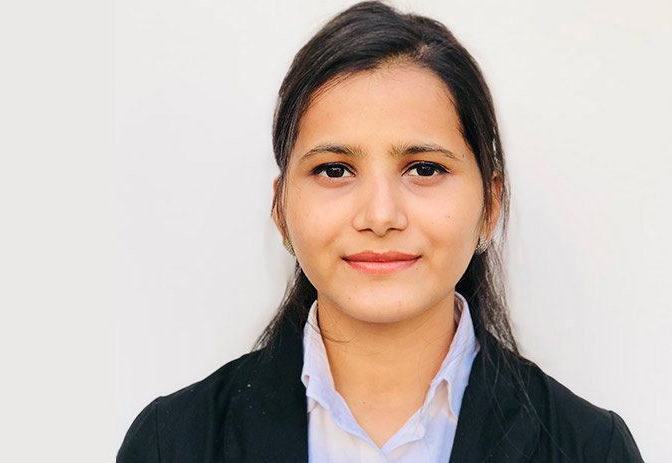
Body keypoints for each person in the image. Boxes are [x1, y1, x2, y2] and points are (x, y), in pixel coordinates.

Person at [118, 2, 644, 461]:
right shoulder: (173, 443)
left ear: (490, 204)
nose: (380, 215)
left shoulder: (589, 448)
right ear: (280, 209)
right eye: (334, 170)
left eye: (424, 168)